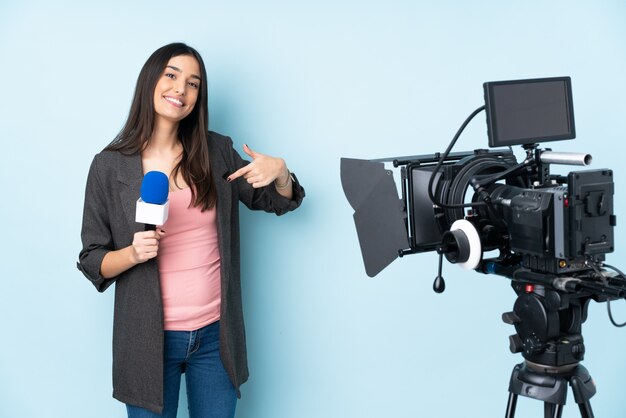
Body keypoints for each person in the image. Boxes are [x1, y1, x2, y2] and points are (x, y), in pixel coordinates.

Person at [77, 43, 305, 418]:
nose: (181, 89)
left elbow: (276, 201)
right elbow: (92, 260)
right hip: (147, 341)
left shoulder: (216, 151)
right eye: (171, 75)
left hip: (216, 338)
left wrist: (281, 172)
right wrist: (133, 253)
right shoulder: (108, 167)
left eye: (193, 83)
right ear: (151, 80)